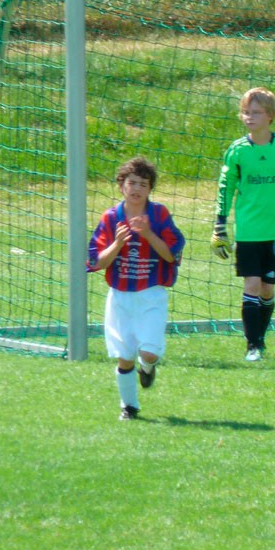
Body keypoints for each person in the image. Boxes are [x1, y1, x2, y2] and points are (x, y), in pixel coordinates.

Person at [87, 156, 185, 420]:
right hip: (120, 297)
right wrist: (117, 244)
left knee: (149, 352)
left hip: (151, 294)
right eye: (131, 182)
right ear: (121, 186)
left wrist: (149, 234)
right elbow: (96, 261)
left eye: (143, 183)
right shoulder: (110, 218)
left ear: (150, 189)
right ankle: (129, 407)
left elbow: (171, 255)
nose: (136, 188)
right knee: (124, 357)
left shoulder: (159, 215)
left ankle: (149, 366)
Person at [211, 87, 275, 362]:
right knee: (251, 284)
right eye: (246, 112)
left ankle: (260, 340)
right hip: (249, 232)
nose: (250, 117)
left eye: (256, 112)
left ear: (271, 116)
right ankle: (253, 345)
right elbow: (225, 188)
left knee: (267, 289)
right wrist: (220, 226)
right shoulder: (237, 151)